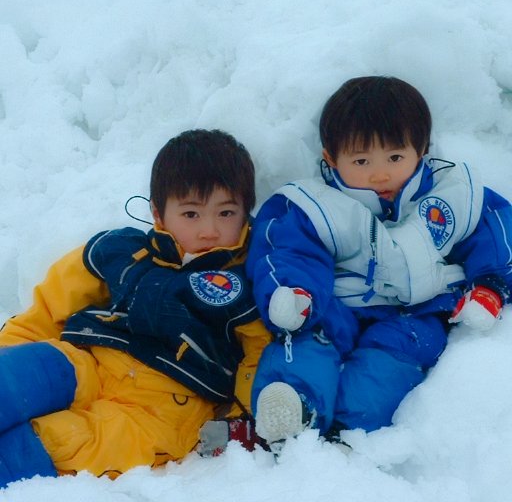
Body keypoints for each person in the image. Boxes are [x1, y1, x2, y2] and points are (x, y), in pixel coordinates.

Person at [246, 76, 512, 449]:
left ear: (421, 151)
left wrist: (490, 286)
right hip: (336, 304)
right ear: (330, 158)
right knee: (308, 338)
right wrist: (296, 294)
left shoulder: (450, 195)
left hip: (416, 314)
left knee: (389, 364)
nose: (380, 173)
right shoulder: (316, 206)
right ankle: (294, 405)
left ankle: (349, 429)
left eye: (395, 157)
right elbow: (289, 250)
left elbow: (497, 234)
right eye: (361, 160)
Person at [0, 129, 271, 486]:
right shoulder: (121, 252)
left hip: (159, 408)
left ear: (245, 212)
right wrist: (12, 351)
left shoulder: (247, 282)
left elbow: (262, 353)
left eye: (226, 212)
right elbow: (50, 307)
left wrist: (240, 420)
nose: (209, 230)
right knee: (18, 377)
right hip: (89, 361)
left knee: (58, 442)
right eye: (191, 214)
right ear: (159, 214)